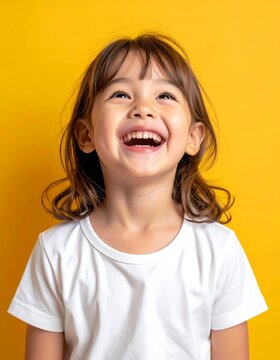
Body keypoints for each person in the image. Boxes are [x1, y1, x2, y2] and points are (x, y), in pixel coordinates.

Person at [8, 33, 268, 360]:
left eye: (164, 95)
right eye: (120, 93)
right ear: (86, 135)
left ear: (193, 137)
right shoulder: (56, 252)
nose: (143, 109)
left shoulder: (219, 250)